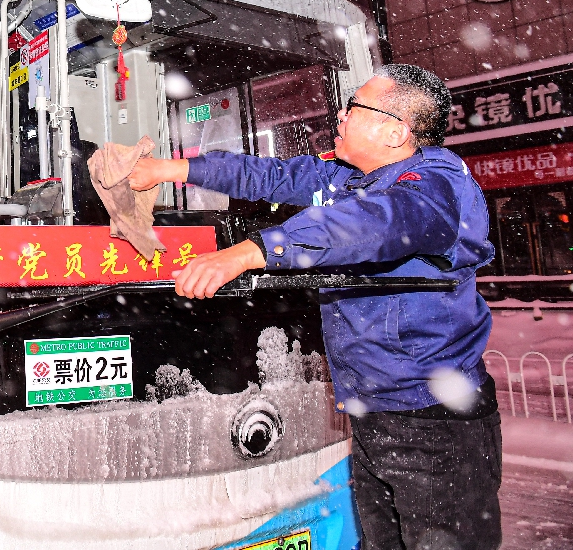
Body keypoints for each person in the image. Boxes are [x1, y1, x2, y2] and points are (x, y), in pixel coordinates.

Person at [128, 64, 500, 550]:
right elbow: (272, 176)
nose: (340, 116)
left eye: (355, 107)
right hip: (378, 413)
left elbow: (374, 224)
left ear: (394, 131)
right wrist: (170, 169)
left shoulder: (434, 186)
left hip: (436, 422)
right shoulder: (352, 179)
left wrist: (250, 252)